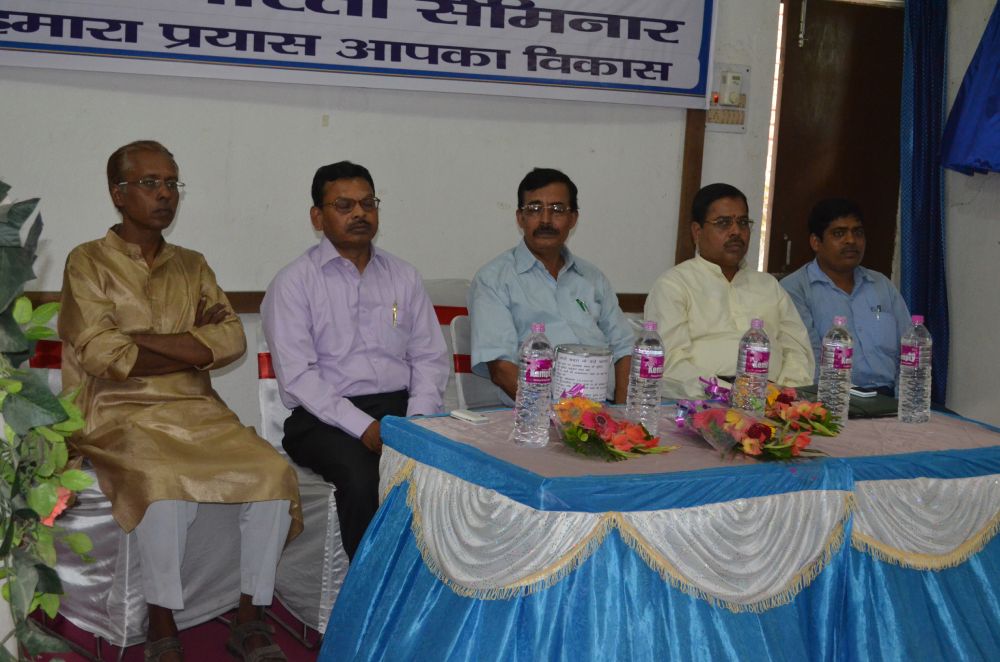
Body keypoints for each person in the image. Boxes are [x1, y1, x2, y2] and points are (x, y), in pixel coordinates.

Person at [59, 140, 302, 662]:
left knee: (272, 473)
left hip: (198, 412)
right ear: (118, 193)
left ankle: (250, 616)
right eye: (150, 183)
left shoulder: (192, 265)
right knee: (162, 482)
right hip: (117, 413)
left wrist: (140, 340)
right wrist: (190, 350)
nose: (165, 193)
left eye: (171, 183)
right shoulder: (88, 261)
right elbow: (101, 354)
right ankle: (161, 623)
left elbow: (230, 339)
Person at [261, 161, 448, 561]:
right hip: (323, 419)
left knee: (451, 468)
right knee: (364, 478)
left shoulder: (403, 276)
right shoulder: (294, 282)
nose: (360, 213)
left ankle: (434, 582)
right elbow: (299, 378)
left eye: (368, 203)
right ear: (317, 217)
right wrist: (365, 427)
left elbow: (429, 358)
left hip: (400, 408)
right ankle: (372, 589)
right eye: (344, 205)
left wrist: (415, 423)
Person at [468, 167, 634, 403]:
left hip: (603, 412)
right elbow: (501, 369)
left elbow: (624, 349)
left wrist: (621, 414)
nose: (545, 220)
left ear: (573, 218)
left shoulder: (592, 278)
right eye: (534, 209)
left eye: (557, 210)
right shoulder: (494, 279)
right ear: (520, 218)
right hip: (536, 415)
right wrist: (560, 416)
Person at [644, 183, 814, 399]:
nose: (736, 231)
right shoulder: (674, 285)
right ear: (697, 232)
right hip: (703, 404)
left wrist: (785, 395)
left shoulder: (769, 285)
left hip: (774, 403)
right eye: (723, 223)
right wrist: (730, 393)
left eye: (743, 222)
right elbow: (669, 363)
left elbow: (798, 351)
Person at [780, 198, 911, 393]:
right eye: (839, 233)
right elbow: (807, 360)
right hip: (832, 397)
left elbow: (910, 350)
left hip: (890, 397)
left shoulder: (881, 285)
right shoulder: (795, 289)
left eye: (857, 232)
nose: (851, 240)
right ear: (816, 242)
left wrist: (903, 401)